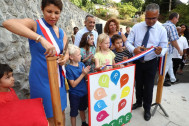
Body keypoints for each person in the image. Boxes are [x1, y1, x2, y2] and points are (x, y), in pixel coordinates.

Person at [2, 0, 69, 125]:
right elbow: (7, 23)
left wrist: (65, 58)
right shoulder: (35, 25)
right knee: (47, 118)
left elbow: (65, 50)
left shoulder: (61, 32)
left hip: (58, 79)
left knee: (61, 114)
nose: (53, 16)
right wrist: (40, 38)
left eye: (57, 13)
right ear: (42, 9)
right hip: (41, 79)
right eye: (49, 11)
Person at [126, 3, 168, 121]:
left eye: (153, 18)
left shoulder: (162, 29)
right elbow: (128, 42)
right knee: (138, 84)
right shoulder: (137, 27)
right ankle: (138, 102)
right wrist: (133, 49)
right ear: (145, 15)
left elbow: (165, 47)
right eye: (148, 18)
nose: (150, 21)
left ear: (158, 15)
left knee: (149, 87)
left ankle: (147, 108)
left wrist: (160, 51)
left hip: (151, 62)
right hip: (138, 62)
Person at [65, 44, 90, 126]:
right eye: (78, 54)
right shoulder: (68, 68)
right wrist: (83, 74)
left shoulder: (82, 64)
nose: (81, 56)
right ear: (71, 57)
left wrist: (86, 73)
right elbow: (73, 84)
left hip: (83, 92)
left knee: (82, 109)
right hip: (75, 94)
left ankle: (83, 122)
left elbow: (86, 78)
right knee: (74, 113)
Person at [163, 12, 183, 86]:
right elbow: (173, 41)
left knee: (169, 64)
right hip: (168, 50)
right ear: (174, 18)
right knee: (166, 65)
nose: (177, 20)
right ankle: (161, 81)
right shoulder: (171, 26)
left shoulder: (163, 25)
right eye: (177, 19)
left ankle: (172, 78)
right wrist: (179, 50)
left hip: (162, 49)